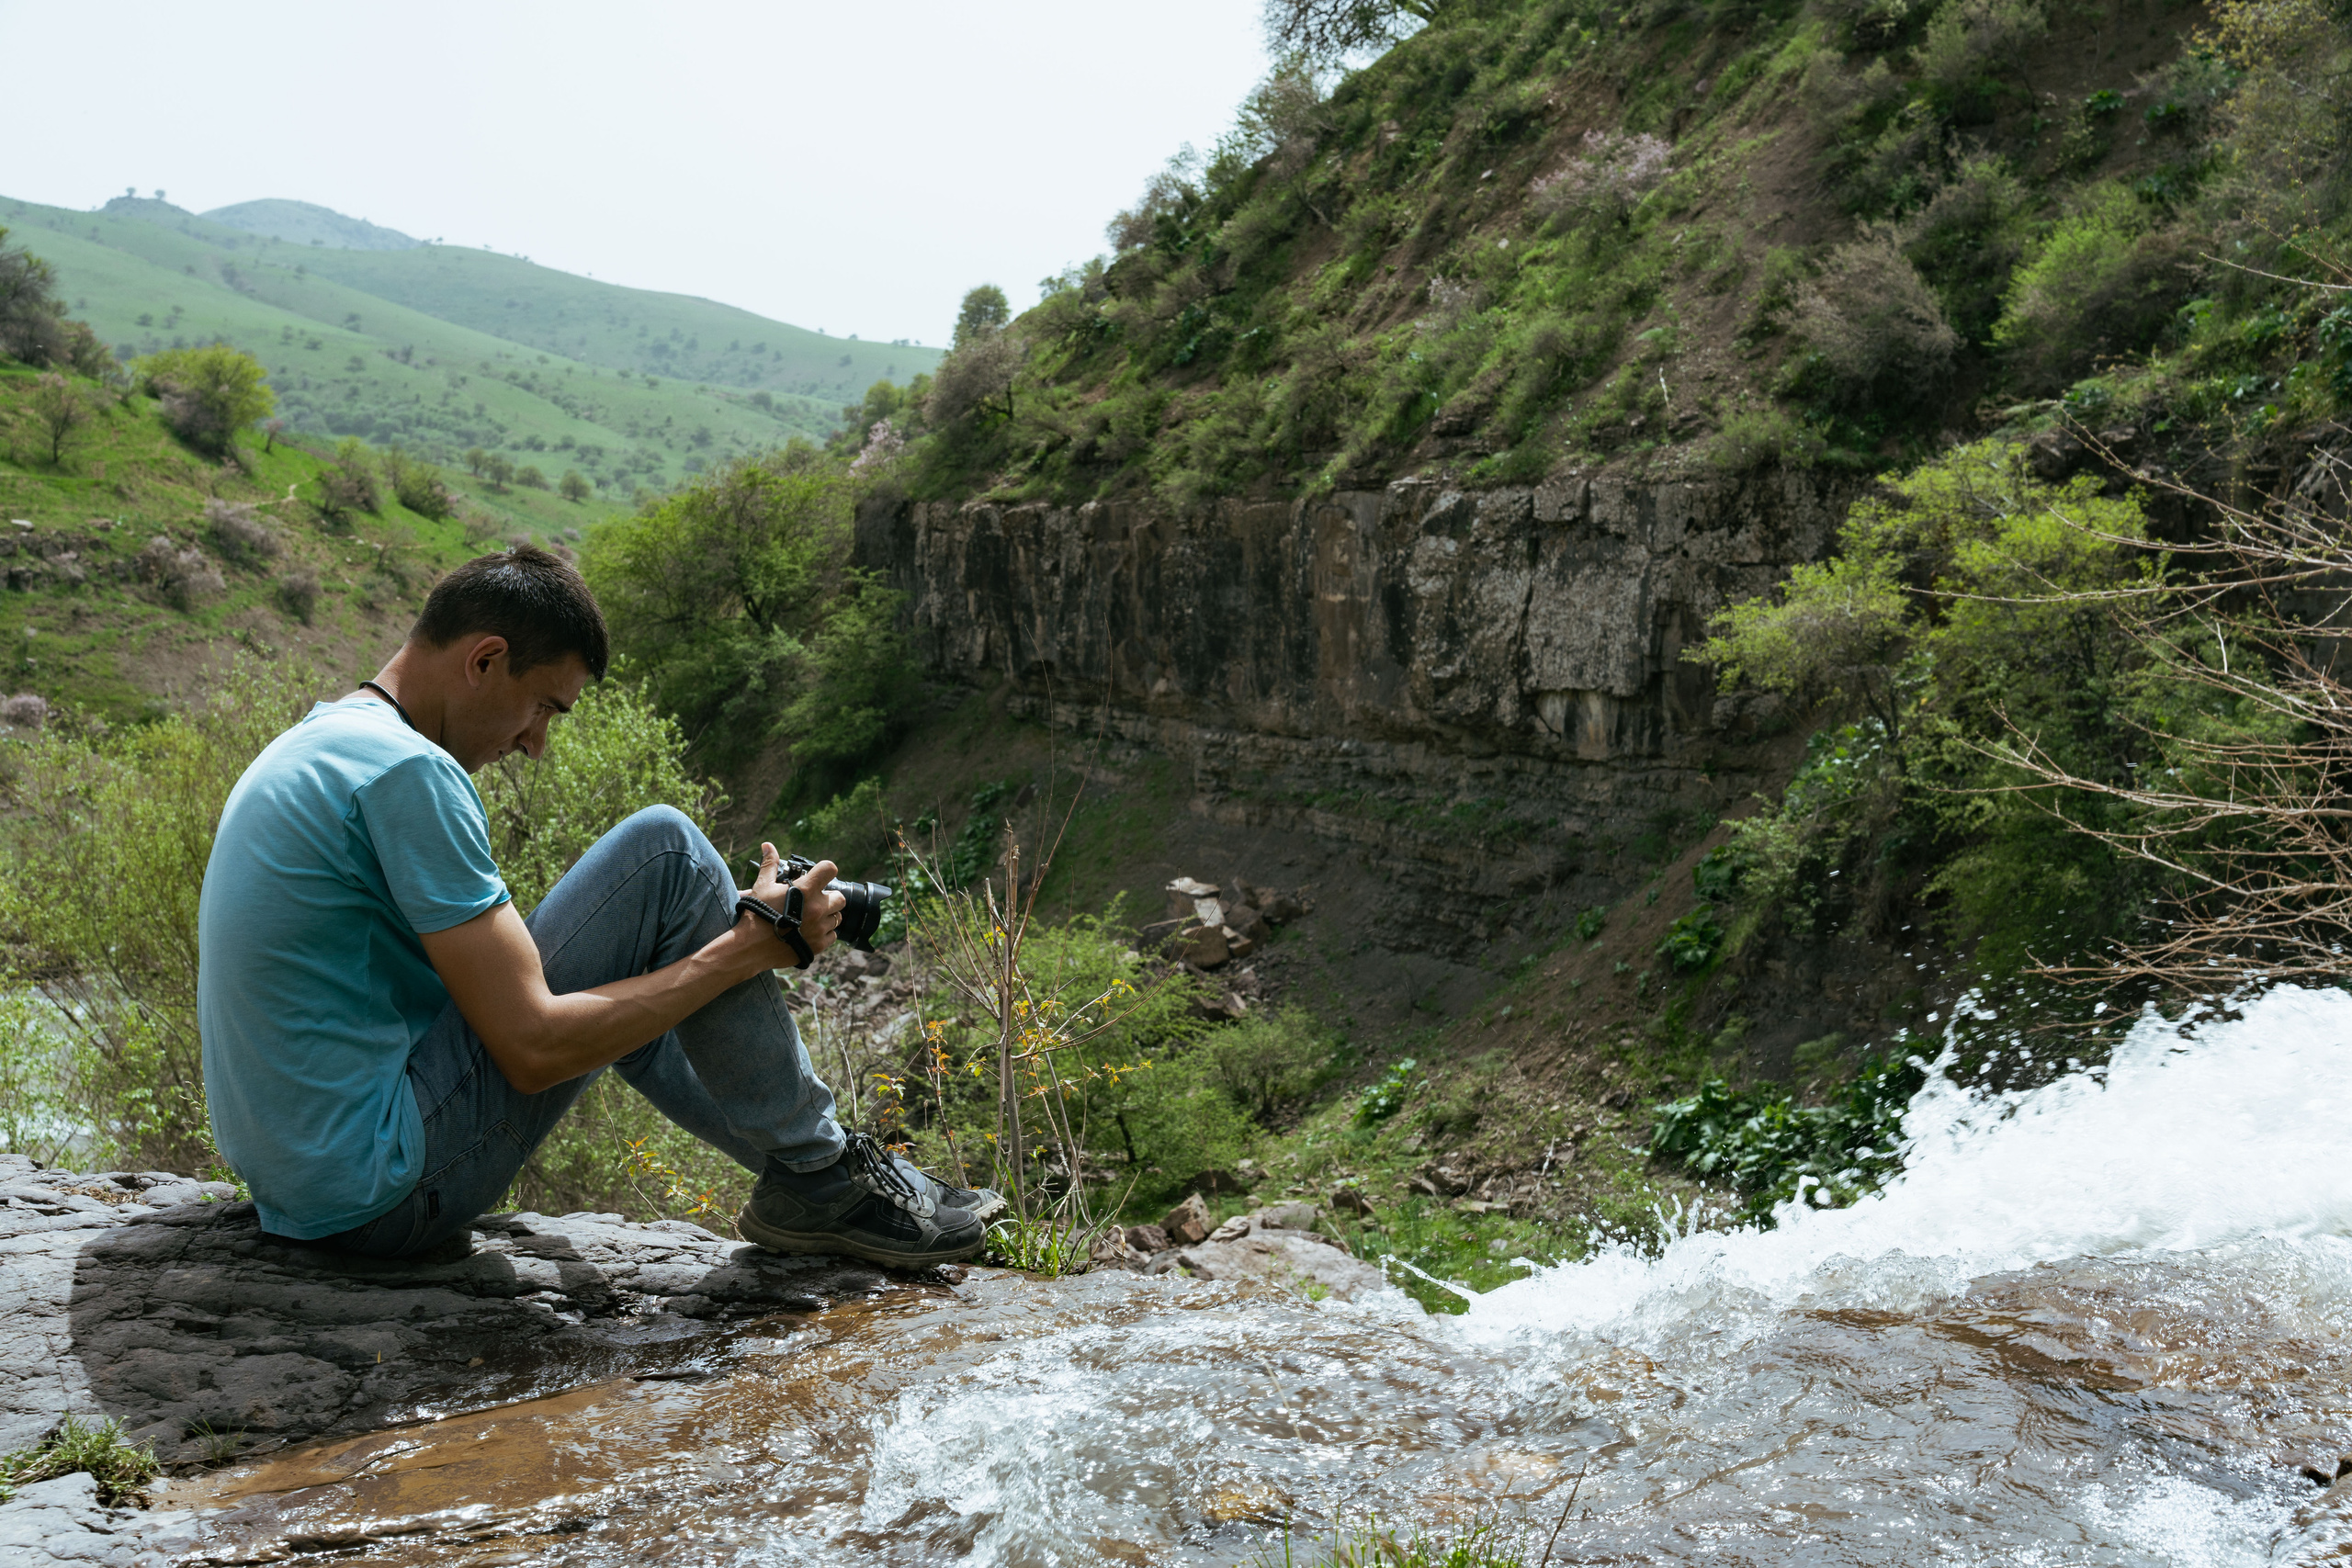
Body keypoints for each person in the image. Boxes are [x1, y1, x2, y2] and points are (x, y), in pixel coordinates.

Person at [196, 544, 998, 1267]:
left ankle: (821, 1172)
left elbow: (568, 1017)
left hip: (307, 1187)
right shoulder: (409, 772)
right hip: (381, 1190)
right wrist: (749, 946)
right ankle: (824, 1174)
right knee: (670, 854)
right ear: (486, 659)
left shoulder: (325, 740)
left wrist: (712, 961)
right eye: (544, 705)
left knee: (637, 992)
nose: (536, 742)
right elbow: (534, 1048)